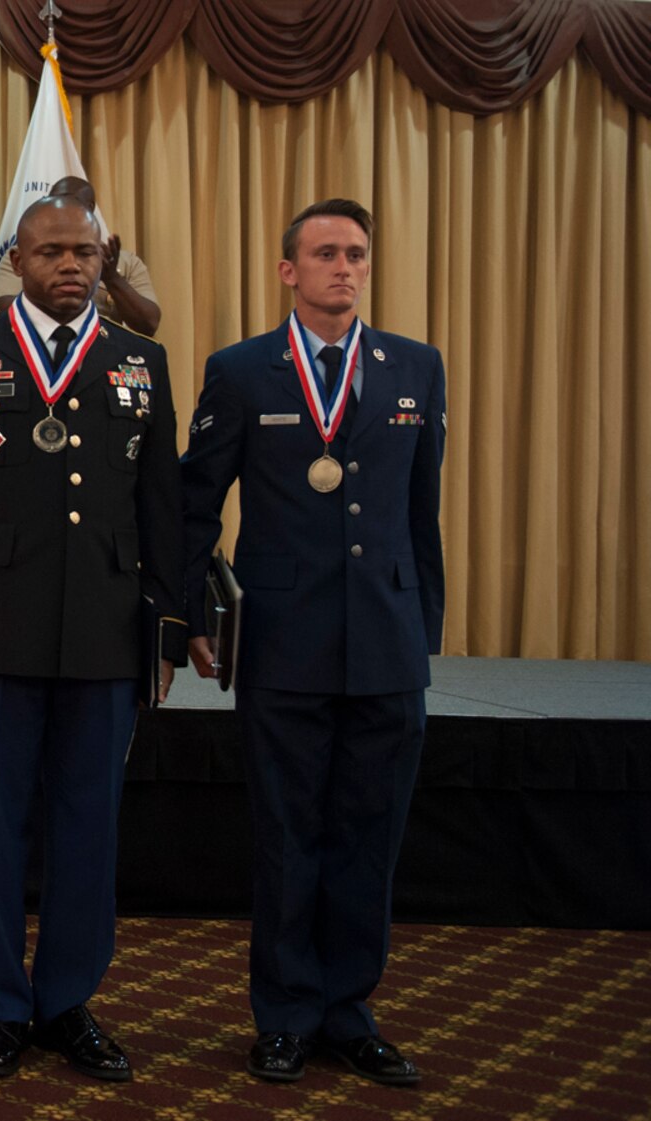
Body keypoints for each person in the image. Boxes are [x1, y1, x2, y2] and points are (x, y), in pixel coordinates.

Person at [0, 195, 184, 1083]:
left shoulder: (141, 360)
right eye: (52, 251)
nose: (71, 265)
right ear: (15, 260)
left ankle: (67, 1002)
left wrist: (168, 628)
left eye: (85, 253)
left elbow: (162, 508)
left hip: (105, 632)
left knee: (89, 826)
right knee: (0, 830)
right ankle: (1, 1006)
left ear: (104, 262)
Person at [180, 198, 445, 1087]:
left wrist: (424, 628)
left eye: (358, 255)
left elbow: (421, 513)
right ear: (288, 271)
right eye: (327, 253)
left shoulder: (415, 367)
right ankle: (287, 1012)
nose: (346, 268)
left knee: (371, 835)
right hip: (284, 642)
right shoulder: (243, 370)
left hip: (387, 643)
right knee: (291, 835)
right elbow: (194, 504)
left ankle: (350, 1011)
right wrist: (193, 616)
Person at [0, 176, 160, 337]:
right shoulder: (29, 253)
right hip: (31, 348)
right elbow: (2, 307)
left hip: (102, 349)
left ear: (90, 207)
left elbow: (148, 324)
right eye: (55, 202)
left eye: (84, 254)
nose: (62, 208)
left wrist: (112, 278)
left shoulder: (125, 262)